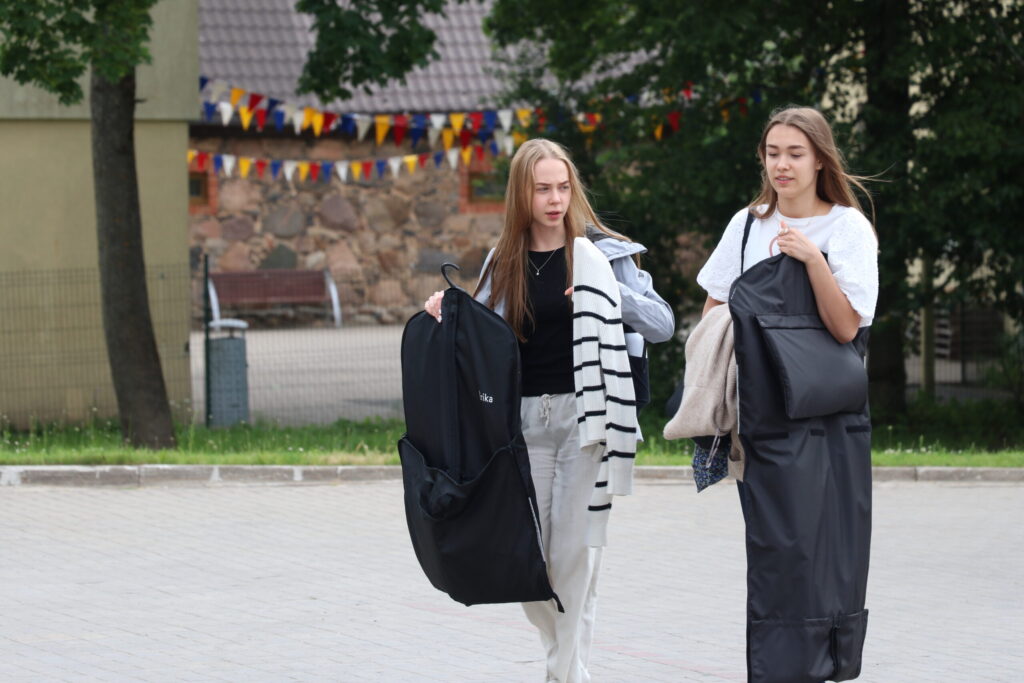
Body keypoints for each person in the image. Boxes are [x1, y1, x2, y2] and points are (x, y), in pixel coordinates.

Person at [424, 138, 673, 682]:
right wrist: (447, 315)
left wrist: (607, 293)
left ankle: (565, 675)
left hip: (589, 419)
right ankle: (571, 667)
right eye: (543, 189)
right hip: (523, 425)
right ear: (522, 194)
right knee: (527, 557)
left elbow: (662, 324)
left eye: (563, 187)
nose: (555, 199)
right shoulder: (504, 259)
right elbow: (478, 336)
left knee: (573, 555)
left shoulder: (605, 254)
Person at [697, 105, 878, 514]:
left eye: (795, 154)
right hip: (755, 412)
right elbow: (714, 312)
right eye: (772, 153)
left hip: (824, 415)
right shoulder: (746, 225)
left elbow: (846, 329)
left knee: (816, 535)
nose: (781, 164)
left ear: (820, 160)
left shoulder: (847, 227)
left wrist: (813, 260)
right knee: (767, 536)